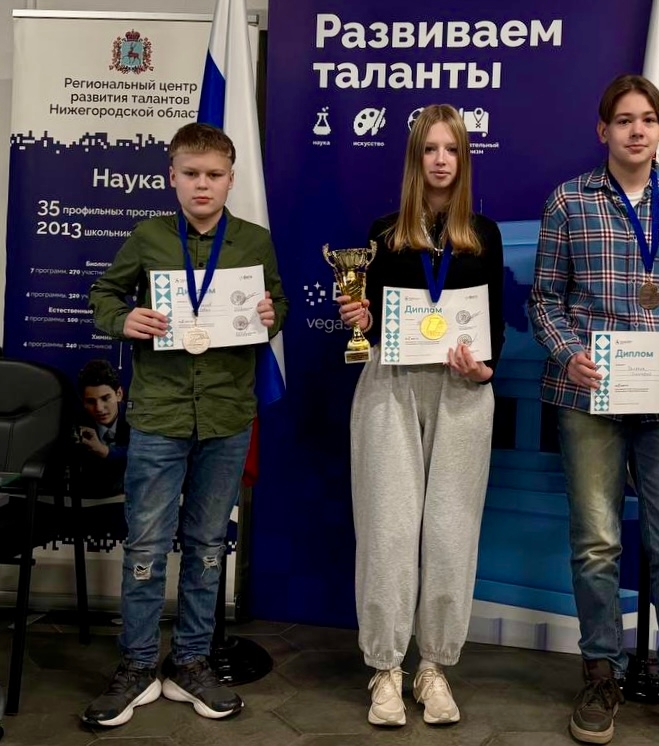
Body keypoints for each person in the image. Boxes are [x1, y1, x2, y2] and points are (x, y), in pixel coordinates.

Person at [528, 74, 659, 746]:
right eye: (623, 120)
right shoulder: (569, 201)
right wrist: (568, 356)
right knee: (596, 545)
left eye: (647, 119)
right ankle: (600, 676)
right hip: (588, 397)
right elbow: (544, 301)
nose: (636, 130)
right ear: (603, 130)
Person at [83, 122, 287, 727]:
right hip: (159, 416)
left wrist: (270, 314)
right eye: (191, 174)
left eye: (214, 175)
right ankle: (137, 664)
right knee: (146, 544)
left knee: (206, 544)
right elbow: (103, 295)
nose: (203, 184)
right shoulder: (148, 237)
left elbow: (275, 305)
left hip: (226, 415)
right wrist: (125, 319)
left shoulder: (253, 241)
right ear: (172, 177)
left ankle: (191, 662)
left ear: (230, 180)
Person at [336, 104, 504, 727]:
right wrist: (360, 318)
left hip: (462, 391)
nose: (440, 160)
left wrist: (484, 369)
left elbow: (494, 327)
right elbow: (374, 319)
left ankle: (433, 666)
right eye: (430, 149)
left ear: (464, 158)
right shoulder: (383, 234)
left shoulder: (482, 234)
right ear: (415, 159)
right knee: (388, 529)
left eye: (451, 149)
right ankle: (385, 668)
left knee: (451, 533)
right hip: (392, 386)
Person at [76, 359, 129, 500]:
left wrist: (105, 451)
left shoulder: (135, 417)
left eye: (105, 398)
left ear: (119, 394)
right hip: (89, 497)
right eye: (91, 401)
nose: (99, 408)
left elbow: (145, 452)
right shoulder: (76, 419)